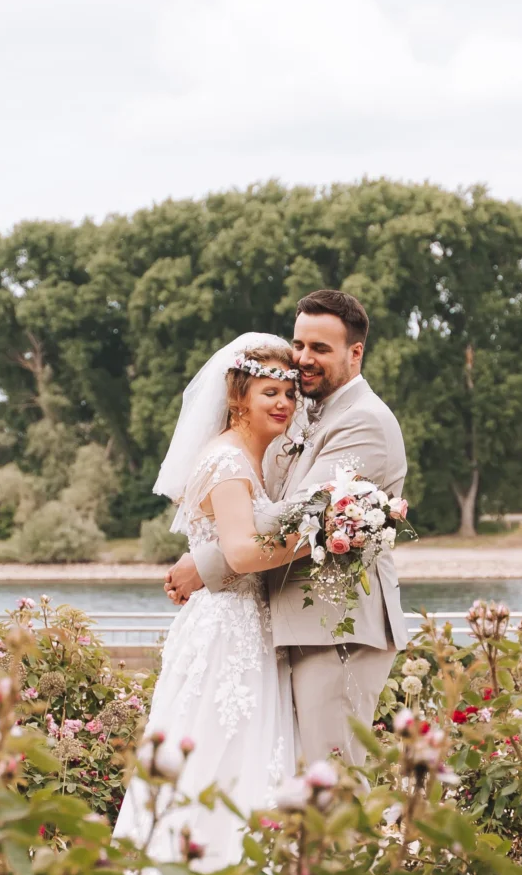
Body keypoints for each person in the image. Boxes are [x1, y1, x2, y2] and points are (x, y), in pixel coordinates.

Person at [164, 289, 407, 769]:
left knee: (331, 779)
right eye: (299, 344)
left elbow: (302, 516)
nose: (303, 359)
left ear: (355, 353)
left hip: (336, 631)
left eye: (320, 348)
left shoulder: (364, 422)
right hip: (292, 625)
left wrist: (206, 562)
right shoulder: (304, 413)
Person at [112, 335, 304, 868]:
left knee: (245, 751)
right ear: (239, 396)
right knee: (219, 747)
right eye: (270, 392)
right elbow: (240, 552)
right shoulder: (227, 462)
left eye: (290, 393)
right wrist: (318, 534)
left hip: (246, 623)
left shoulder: (251, 458)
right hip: (228, 630)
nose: (284, 403)